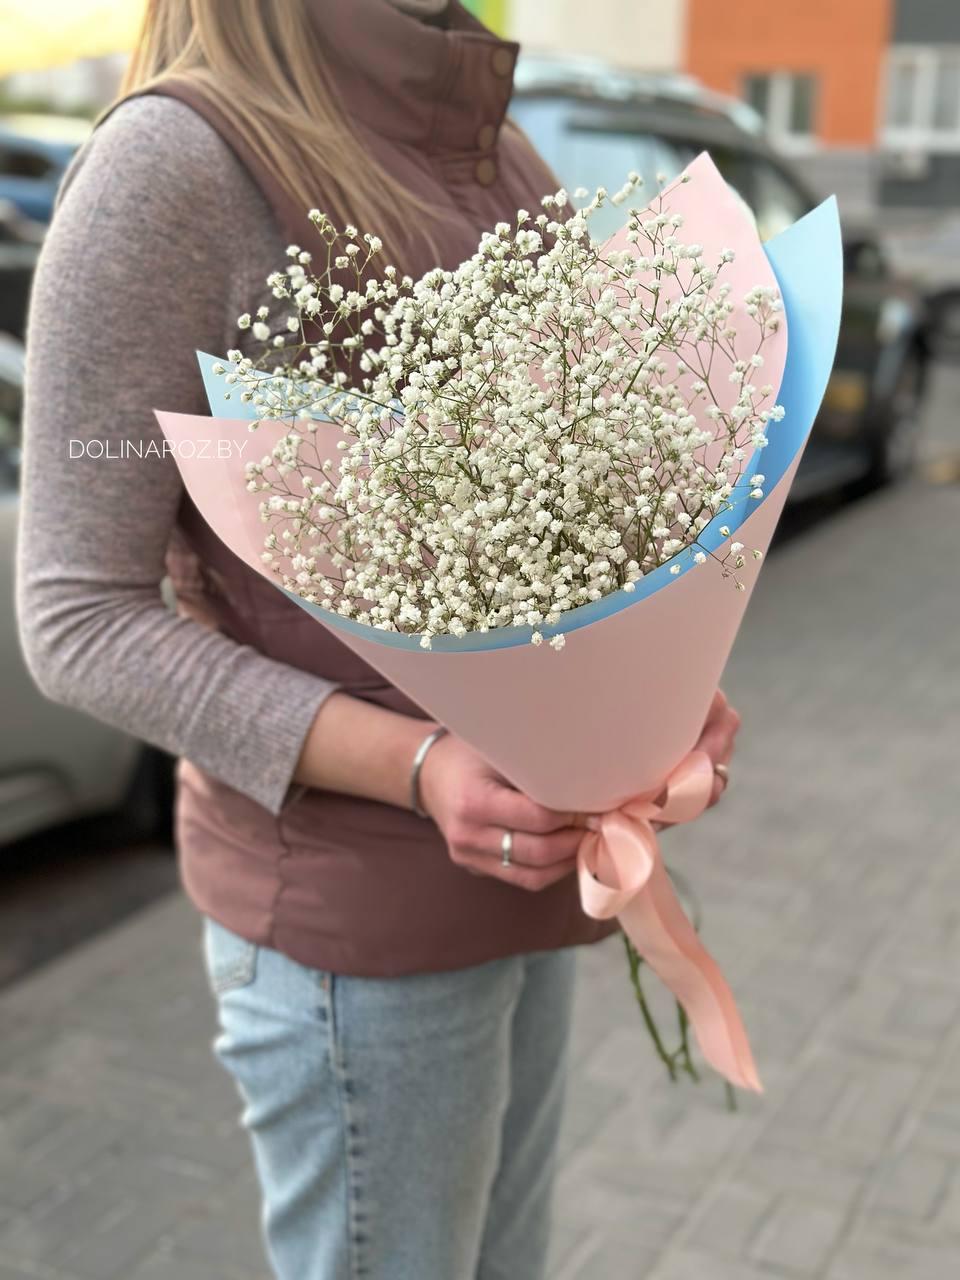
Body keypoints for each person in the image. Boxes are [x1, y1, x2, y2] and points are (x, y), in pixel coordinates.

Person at [16, 2, 741, 1277]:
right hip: (357, 934)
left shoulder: (491, 145)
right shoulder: (176, 168)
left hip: (529, 880)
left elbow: (576, 497)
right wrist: (418, 764)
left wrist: (658, 686)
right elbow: (79, 617)